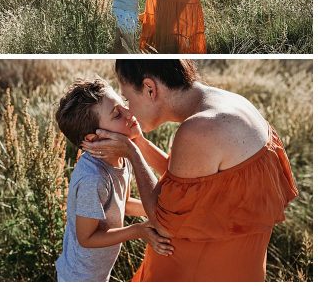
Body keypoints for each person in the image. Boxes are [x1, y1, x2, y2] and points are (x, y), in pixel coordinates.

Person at [83, 60, 299, 281]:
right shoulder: (233, 103)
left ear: (150, 88)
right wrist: (138, 142)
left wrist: (132, 153)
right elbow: (191, 179)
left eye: (127, 99)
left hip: (199, 272)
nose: (128, 110)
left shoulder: (198, 129)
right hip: (238, 268)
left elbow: (162, 223)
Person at [53, 78, 173, 281]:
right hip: (79, 277)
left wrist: (166, 213)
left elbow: (123, 204)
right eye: (118, 114)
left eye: (124, 105)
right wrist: (137, 230)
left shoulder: (120, 157)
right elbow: (86, 238)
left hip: (98, 273)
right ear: (94, 138)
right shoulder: (93, 179)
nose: (129, 114)